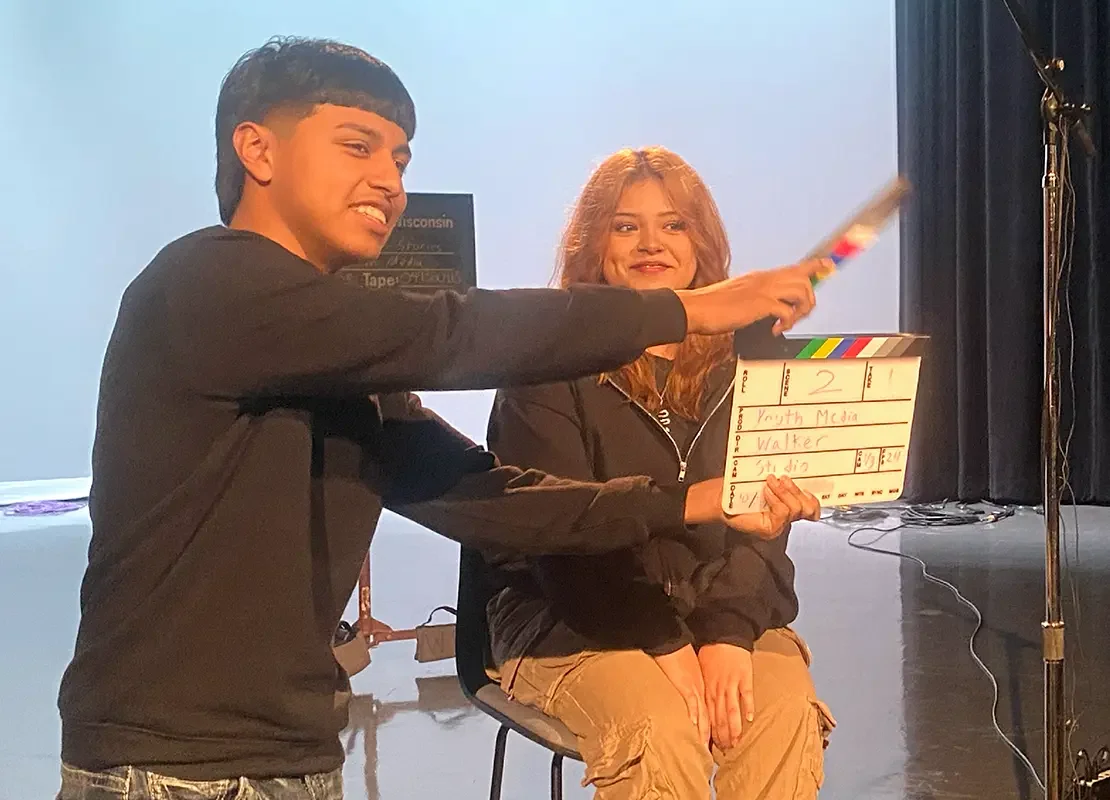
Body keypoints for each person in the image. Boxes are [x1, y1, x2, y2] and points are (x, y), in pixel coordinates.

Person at [56, 38, 827, 800]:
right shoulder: (206, 285)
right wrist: (688, 309)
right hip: (167, 772)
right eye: (358, 146)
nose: (388, 181)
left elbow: (489, 499)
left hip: (291, 757)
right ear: (257, 149)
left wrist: (691, 502)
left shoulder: (341, 367)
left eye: (400, 159)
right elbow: (451, 333)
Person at [484, 147, 836, 800]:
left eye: (674, 224)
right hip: (568, 614)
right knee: (660, 728)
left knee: (782, 714)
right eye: (626, 226)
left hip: (717, 605)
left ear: (703, 242)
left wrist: (727, 633)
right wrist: (665, 643)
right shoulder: (545, 362)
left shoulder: (750, 356)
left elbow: (765, 532)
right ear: (593, 244)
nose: (652, 243)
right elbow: (558, 541)